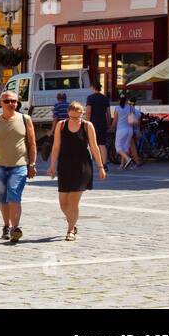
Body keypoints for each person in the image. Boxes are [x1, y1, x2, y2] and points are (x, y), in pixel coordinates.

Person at [0, 90, 37, 243]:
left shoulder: (25, 119)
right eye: (7, 101)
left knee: (14, 195)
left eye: (14, 101)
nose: (11, 104)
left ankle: (15, 228)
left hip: (20, 166)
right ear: (1, 104)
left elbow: (32, 143)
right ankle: (6, 225)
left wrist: (32, 164)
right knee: (3, 199)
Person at [47, 100, 107, 241]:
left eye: (77, 117)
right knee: (63, 203)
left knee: (73, 202)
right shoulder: (61, 125)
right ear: (68, 114)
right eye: (72, 117)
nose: (74, 119)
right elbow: (55, 147)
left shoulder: (87, 126)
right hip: (64, 165)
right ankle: (72, 222)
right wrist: (52, 165)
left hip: (82, 166)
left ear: (82, 114)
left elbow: (94, 147)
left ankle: (70, 230)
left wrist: (100, 167)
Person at [85, 81, 112, 161]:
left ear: (93, 87)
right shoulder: (105, 98)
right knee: (102, 144)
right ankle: (104, 164)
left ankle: (97, 161)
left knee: (93, 143)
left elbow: (88, 112)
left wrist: (86, 123)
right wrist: (109, 124)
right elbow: (108, 113)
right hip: (103, 123)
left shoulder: (90, 98)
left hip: (93, 123)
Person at [112, 95, 141, 170]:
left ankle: (128, 159)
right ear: (126, 100)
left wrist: (111, 128)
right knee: (124, 148)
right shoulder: (131, 107)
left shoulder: (117, 108)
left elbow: (115, 120)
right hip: (130, 130)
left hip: (121, 130)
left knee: (118, 148)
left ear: (119, 100)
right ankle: (122, 165)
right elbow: (133, 116)